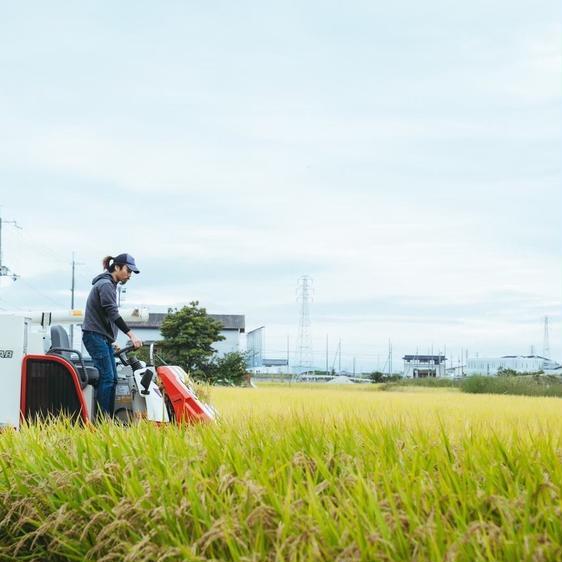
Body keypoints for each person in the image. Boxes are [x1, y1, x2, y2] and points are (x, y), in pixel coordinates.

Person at [82, 254, 143, 418]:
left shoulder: (110, 285)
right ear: (117, 267)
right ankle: (103, 420)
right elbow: (113, 314)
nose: (130, 275)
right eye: (128, 271)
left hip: (101, 338)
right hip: (94, 336)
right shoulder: (106, 285)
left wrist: (111, 340)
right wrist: (131, 335)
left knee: (114, 379)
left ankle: (107, 418)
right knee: (107, 378)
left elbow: (106, 318)